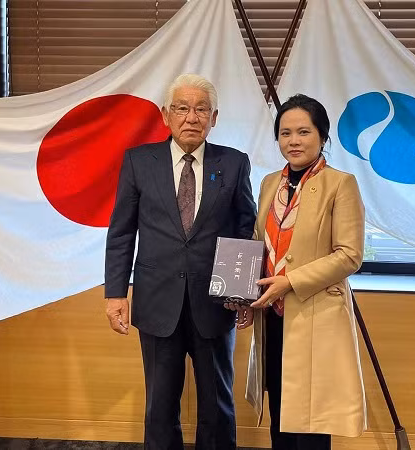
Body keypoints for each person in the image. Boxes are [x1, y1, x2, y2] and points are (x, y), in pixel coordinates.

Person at [104, 73, 257, 450]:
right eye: (182, 108)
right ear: (165, 115)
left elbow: (245, 229)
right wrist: (115, 294)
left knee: (217, 405)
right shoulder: (139, 161)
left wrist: (243, 293)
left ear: (214, 117)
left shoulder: (234, 163)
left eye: (201, 109)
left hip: (216, 302)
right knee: (160, 406)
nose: (192, 117)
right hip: (157, 302)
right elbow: (122, 231)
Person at [229, 94, 367, 450]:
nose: (293, 141)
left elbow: (349, 255)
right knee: (281, 410)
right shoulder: (269, 184)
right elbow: (259, 244)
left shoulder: (341, 184)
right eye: (285, 133)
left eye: (304, 131)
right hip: (273, 318)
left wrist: (290, 281)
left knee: (311, 417)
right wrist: (242, 294)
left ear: (322, 136)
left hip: (315, 314)